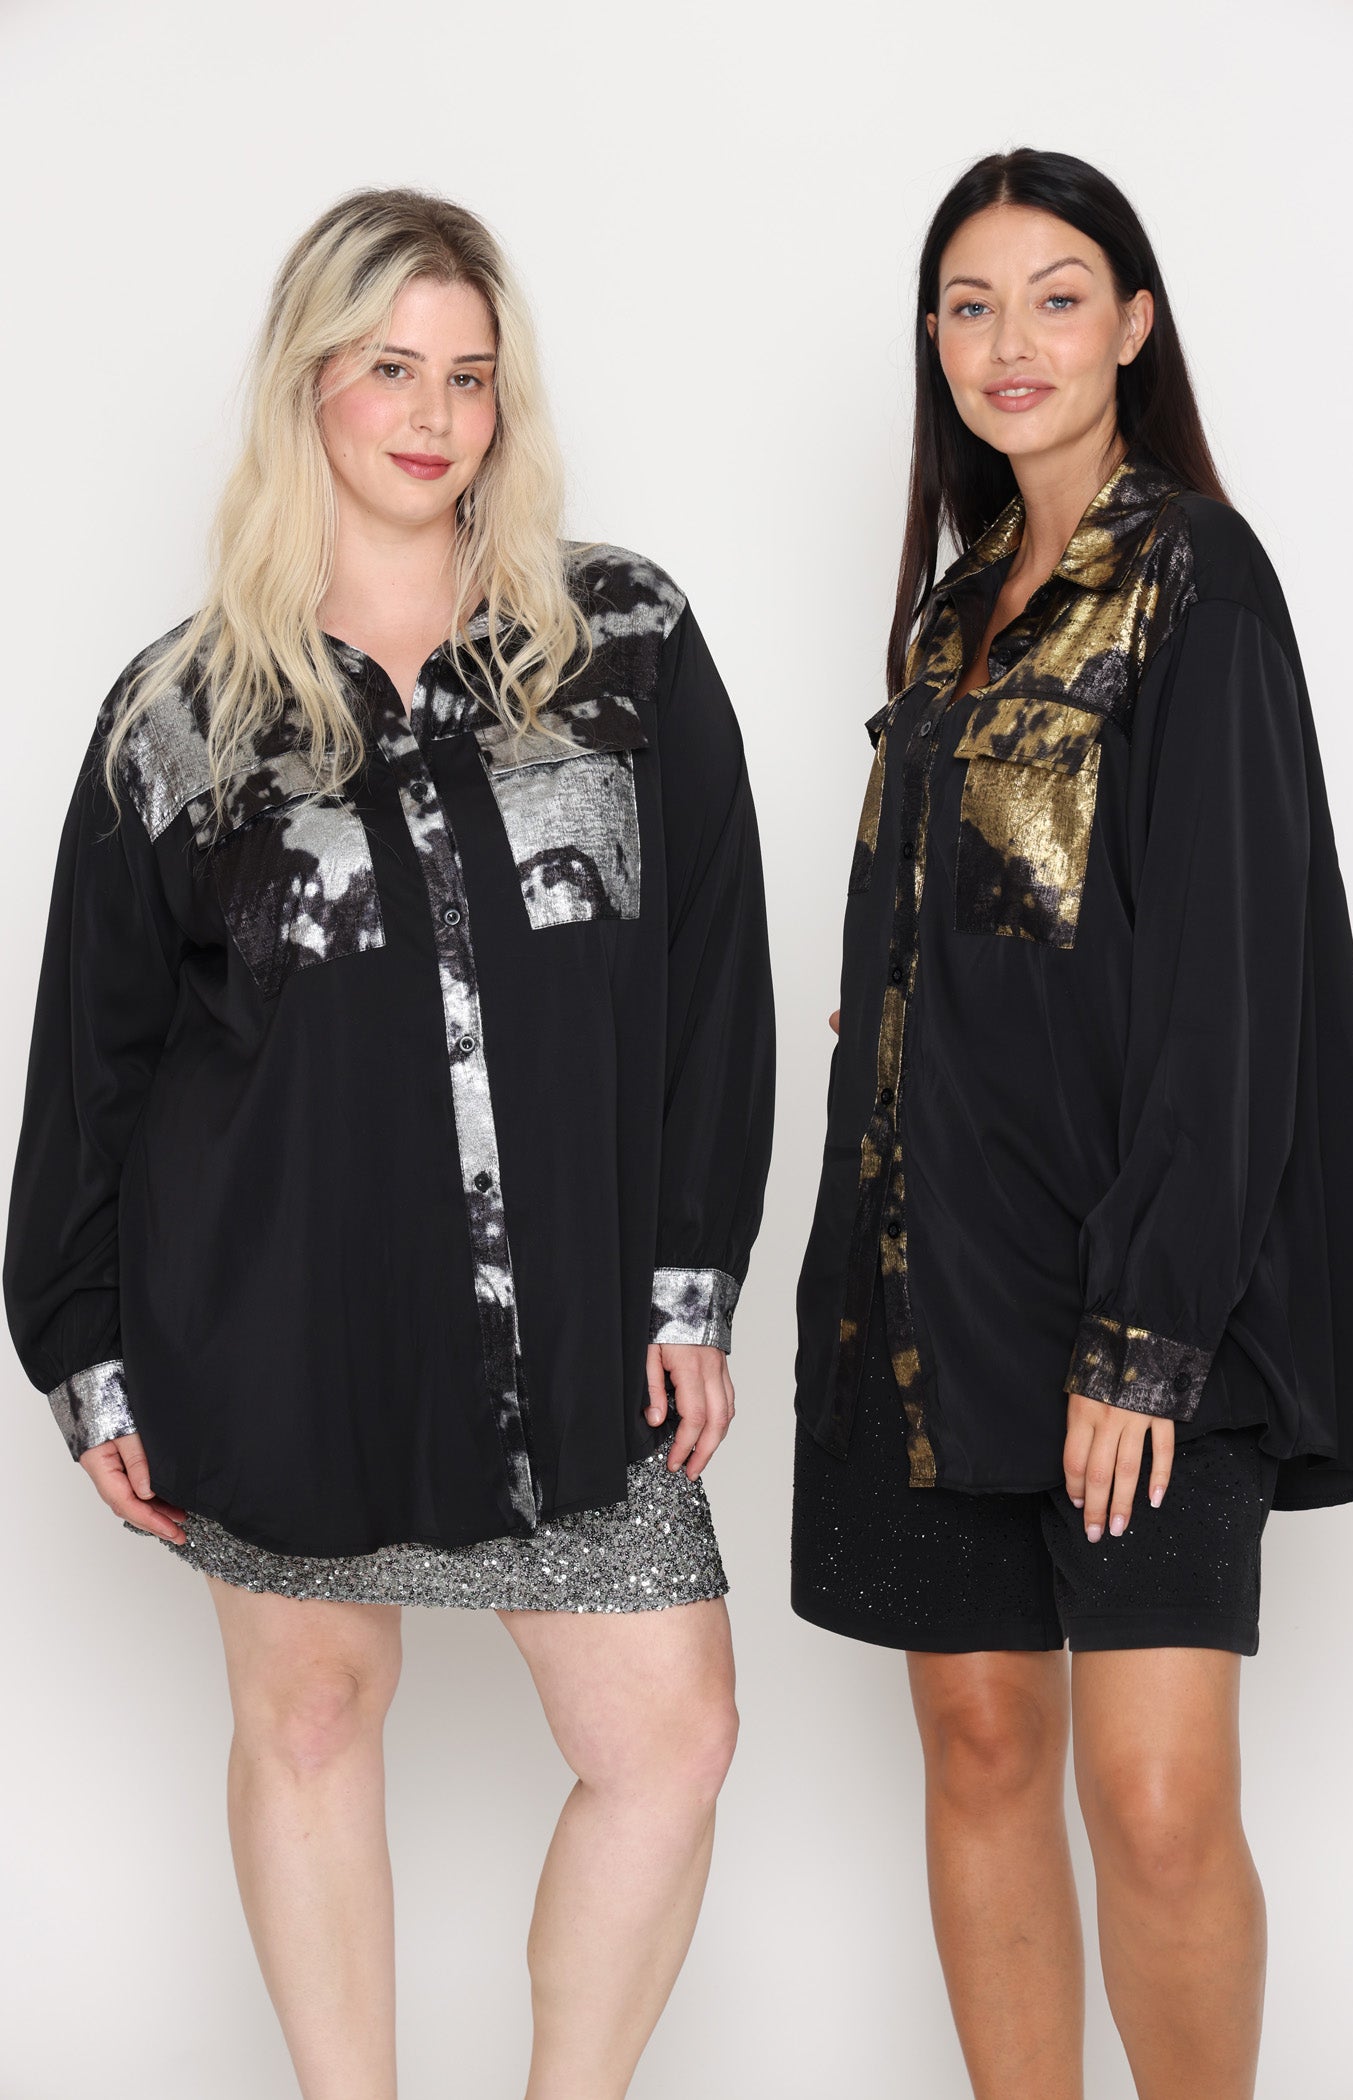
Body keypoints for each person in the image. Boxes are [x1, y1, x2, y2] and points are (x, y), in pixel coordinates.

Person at [5, 185, 775, 2100]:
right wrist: (82, 1350)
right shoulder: (181, 715)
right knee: (315, 1720)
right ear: (310, 388)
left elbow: (715, 979)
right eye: (389, 371)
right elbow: (96, 1057)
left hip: (575, 1335)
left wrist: (690, 1285)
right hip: (276, 1321)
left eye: (469, 377)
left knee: (669, 1736)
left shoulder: (625, 645)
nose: (433, 416)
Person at [791, 146, 1353, 2100]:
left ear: (1133, 324)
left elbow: (1233, 984)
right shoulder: (947, 612)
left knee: (1152, 1800)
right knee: (980, 1750)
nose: (1011, 342)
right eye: (970, 305)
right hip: (926, 1281)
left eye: (1056, 297)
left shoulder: (1198, 577)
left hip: (1137, 1291)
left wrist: (1144, 1338)